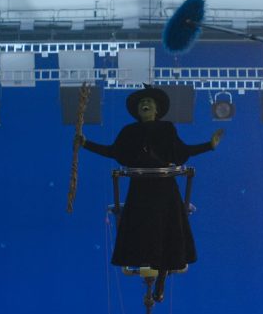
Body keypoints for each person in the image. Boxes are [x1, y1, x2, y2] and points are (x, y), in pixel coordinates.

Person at [76, 86, 222, 300]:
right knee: (145, 230)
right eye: (142, 102)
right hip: (141, 189)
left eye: (149, 102)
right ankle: (152, 271)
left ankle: (161, 278)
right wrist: (86, 144)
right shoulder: (129, 132)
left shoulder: (167, 128)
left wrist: (209, 145)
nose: (145, 104)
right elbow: (113, 151)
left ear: (157, 109)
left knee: (166, 232)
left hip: (164, 188)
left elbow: (182, 151)